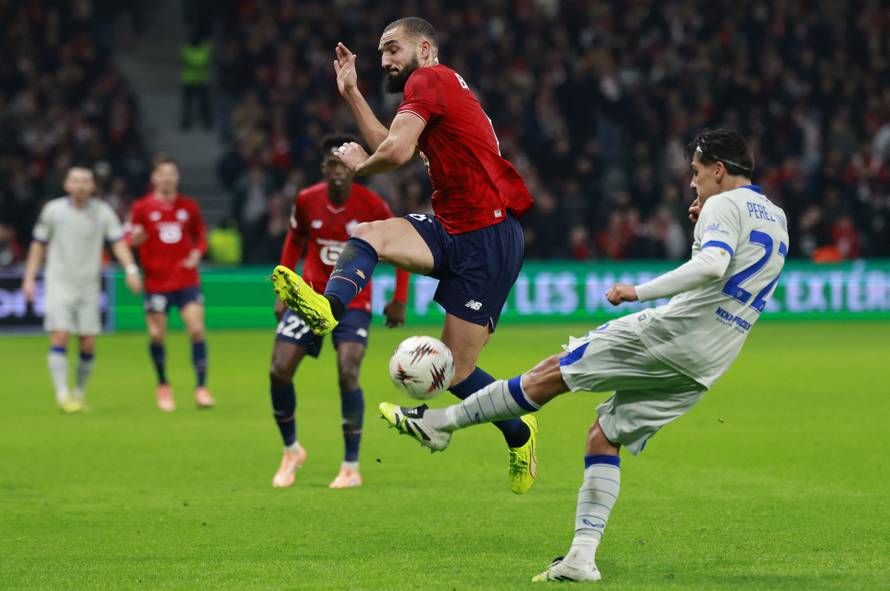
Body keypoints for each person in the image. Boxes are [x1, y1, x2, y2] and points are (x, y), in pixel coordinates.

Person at [379, 129, 789, 582]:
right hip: (710, 360)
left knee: (552, 373)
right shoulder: (775, 216)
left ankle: (441, 425)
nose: (693, 184)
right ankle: (580, 558)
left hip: (672, 335)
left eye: (696, 173)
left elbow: (712, 264)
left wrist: (639, 291)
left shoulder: (723, 204)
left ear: (718, 169)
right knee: (603, 436)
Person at [271, 17, 538, 494]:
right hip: (453, 227)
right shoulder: (429, 92)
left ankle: (520, 432)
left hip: (490, 237)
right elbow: (390, 145)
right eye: (380, 54)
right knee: (370, 233)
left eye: (393, 48)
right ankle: (327, 308)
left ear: (426, 48)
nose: (385, 61)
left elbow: (390, 155)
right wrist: (352, 92)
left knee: (456, 372)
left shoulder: (430, 78)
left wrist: (359, 169)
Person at [269, 135, 410, 489]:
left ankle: (350, 466)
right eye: (332, 164)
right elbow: (294, 242)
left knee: (348, 371)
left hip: (353, 303)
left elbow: (400, 246)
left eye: (344, 165)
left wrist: (399, 298)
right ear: (323, 168)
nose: (337, 172)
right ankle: (291, 450)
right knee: (279, 370)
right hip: (309, 298)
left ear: (355, 169)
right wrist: (282, 289)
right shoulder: (305, 201)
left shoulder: (373, 205)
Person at [22, 167, 143, 412]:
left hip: (89, 285)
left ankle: (78, 392)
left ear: (92, 186)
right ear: (66, 184)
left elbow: (117, 241)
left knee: (87, 343)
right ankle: (62, 395)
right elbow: (38, 245)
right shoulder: (53, 211)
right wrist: (29, 277)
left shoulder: (102, 212)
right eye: (75, 181)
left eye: (85, 181)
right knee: (60, 336)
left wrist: (131, 269)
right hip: (58, 283)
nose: (80, 186)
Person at [128, 156, 214, 411]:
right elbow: (128, 237)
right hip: (156, 282)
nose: (167, 178)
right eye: (162, 174)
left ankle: (201, 388)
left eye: (171, 174)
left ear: (177, 177)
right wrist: (135, 239)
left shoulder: (189, 206)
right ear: (154, 178)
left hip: (187, 279)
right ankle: (163, 384)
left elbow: (201, 236)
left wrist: (197, 253)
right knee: (156, 335)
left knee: (197, 330)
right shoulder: (142, 207)